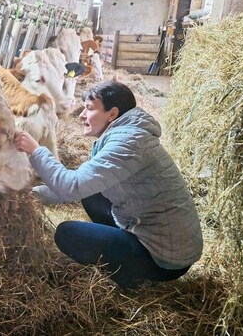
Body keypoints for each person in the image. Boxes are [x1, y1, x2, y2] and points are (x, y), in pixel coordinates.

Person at [14, 80, 203, 288]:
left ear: (112, 114)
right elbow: (80, 187)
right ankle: (123, 252)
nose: (82, 115)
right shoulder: (125, 135)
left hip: (165, 258)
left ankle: (132, 280)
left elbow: (71, 186)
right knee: (92, 194)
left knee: (67, 234)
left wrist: (36, 150)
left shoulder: (128, 143)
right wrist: (32, 194)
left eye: (89, 108)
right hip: (157, 235)